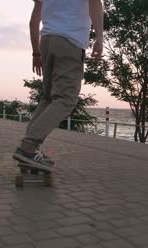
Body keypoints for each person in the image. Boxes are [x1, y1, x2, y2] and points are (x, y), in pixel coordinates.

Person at [12, 0, 104, 170]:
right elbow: (95, 3)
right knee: (65, 99)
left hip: (47, 40)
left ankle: (30, 152)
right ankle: (28, 147)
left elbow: (34, 21)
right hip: (70, 41)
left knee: (48, 98)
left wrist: (36, 52)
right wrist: (99, 37)